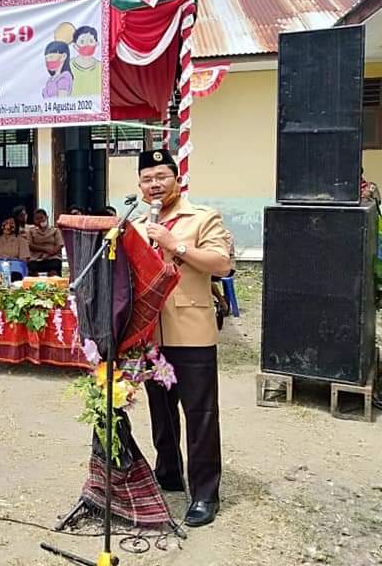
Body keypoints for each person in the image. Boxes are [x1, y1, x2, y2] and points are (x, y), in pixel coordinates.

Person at [131, 148, 231, 529]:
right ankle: (168, 472)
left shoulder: (202, 218)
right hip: (151, 334)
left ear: (176, 178)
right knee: (161, 410)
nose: (155, 185)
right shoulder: (138, 224)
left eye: (161, 176)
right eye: (147, 179)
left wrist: (176, 245)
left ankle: (205, 493)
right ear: (139, 186)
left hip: (192, 333)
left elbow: (222, 265)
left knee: (200, 415)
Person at [26, 208, 64, 275]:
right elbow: (30, 245)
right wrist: (44, 249)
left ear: (46, 217)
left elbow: (59, 245)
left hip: (52, 257)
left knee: (54, 267)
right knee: (32, 269)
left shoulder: (55, 231)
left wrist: (49, 254)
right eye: (37, 219)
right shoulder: (31, 231)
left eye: (41, 218)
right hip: (36, 258)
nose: (39, 220)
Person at [71, 25, 102, 97]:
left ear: (97, 44)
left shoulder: (102, 67)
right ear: (75, 46)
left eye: (91, 41)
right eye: (82, 42)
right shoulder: (68, 66)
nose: (87, 44)